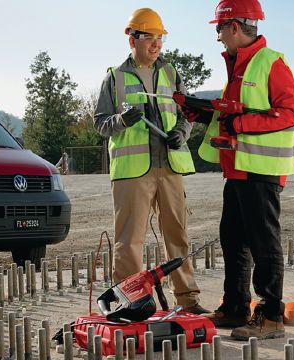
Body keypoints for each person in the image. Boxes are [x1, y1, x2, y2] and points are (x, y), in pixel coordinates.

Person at [186, 0, 294, 340]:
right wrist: (203, 113)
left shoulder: (270, 63)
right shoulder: (239, 66)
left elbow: (293, 111)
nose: (219, 36)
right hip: (237, 169)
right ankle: (236, 306)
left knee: (264, 243)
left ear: (235, 27)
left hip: (261, 171)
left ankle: (271, 316)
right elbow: (234, 111)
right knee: (233, 240)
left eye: (219, 29)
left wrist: (240, 123)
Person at [93, 8, 209, 315]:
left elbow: (188, 113)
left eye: (160, 38)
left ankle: (187, 300)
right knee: (129, 241)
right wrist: (122, 119)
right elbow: (101, 123)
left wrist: (182, 133)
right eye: (149, 38)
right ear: (133, 39)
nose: (156, 45)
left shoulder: (171, 73)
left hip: (169, 166)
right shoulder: (114, 78)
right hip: (133, 172)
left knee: (177, 234)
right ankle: (134, 301)